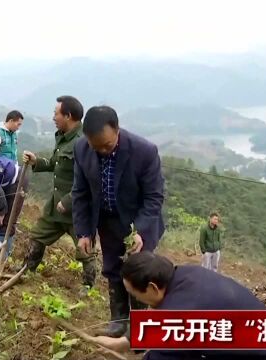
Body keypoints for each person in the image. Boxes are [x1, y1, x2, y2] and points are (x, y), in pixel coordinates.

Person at [91, 252, 266, 359]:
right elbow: (157, 320)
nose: (136, 298)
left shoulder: (179, 317)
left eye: (134, 293)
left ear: (152, 288)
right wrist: (120, 344)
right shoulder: (185, 274)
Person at [72, 105, 165, 337]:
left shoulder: (144, 151)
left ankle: (141, 326)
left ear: (117, 130)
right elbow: (80, 194)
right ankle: (119, 319)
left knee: (140, 272)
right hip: (107, 222)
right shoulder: (82, 149)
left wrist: (140, 231)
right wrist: (84, 232)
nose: (103, 151)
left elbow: (154, 197)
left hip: (139, 223)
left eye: (108, 145)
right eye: (97, 147)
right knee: (113, 269)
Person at [20, 96, 96, 296]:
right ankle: (27, 271)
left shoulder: (83, 142)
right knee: (38, 236)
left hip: (76, 209)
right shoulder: (63, 137)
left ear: (68, 116)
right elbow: (55, 163)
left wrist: (69, 200)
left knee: (84, 249)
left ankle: (88, 286)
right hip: (56, 205)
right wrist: (37, 161)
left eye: (56, 113)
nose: (53, 117)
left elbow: (90, 180)